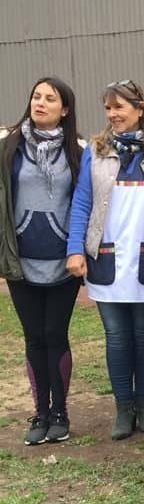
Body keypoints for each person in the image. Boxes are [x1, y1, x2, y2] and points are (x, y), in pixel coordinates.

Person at [65, 79, 144, 440]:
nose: (113, 115)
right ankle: (123, 408)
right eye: (108, 108)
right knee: (115, 335)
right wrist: (76, 249)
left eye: (119, 107)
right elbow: (82, 201)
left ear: (139, 108)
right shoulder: (94, 151)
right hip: (107, 255)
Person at [0, 77, 83, 445]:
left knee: (55, 334)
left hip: (64, 262)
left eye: (51, 98)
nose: (41, 103)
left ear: (64, 109)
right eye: (36, 96)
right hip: (21, 261)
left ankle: (60, 412)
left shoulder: (77, 151)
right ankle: (40, 412)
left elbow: (84, 204)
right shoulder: (8, 147)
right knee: (34, 337)